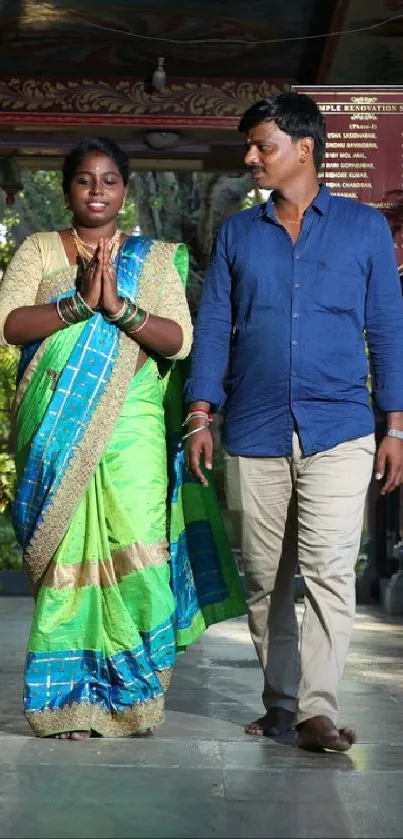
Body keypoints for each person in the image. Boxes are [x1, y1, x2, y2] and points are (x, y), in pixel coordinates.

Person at [0, 137, 245, 739]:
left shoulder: (156, 258)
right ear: (67, 190)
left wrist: (119, 306)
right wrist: (79, 303)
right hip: (56, 422)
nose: (97, 191)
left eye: (109, 181)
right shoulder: (38, 249)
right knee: (67, 560)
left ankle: (131, 696)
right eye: (85, 181)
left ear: (125, 191)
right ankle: (66, 702)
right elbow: (9, 324)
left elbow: (177, 340)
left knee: (138, 549)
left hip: (131, 428)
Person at [184, 93, 403, 752]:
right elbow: (216, 325)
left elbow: (387, 328)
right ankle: (280, 702)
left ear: (303, 148)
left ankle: (316, 709)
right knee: (265, 578)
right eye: (249, 146)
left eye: (262, 145)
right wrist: (201, 411)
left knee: (330, 570)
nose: (250, 158)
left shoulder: (364, 229)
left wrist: (395, 424)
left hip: (339, 426)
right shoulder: (237, 234)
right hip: (252, 428)